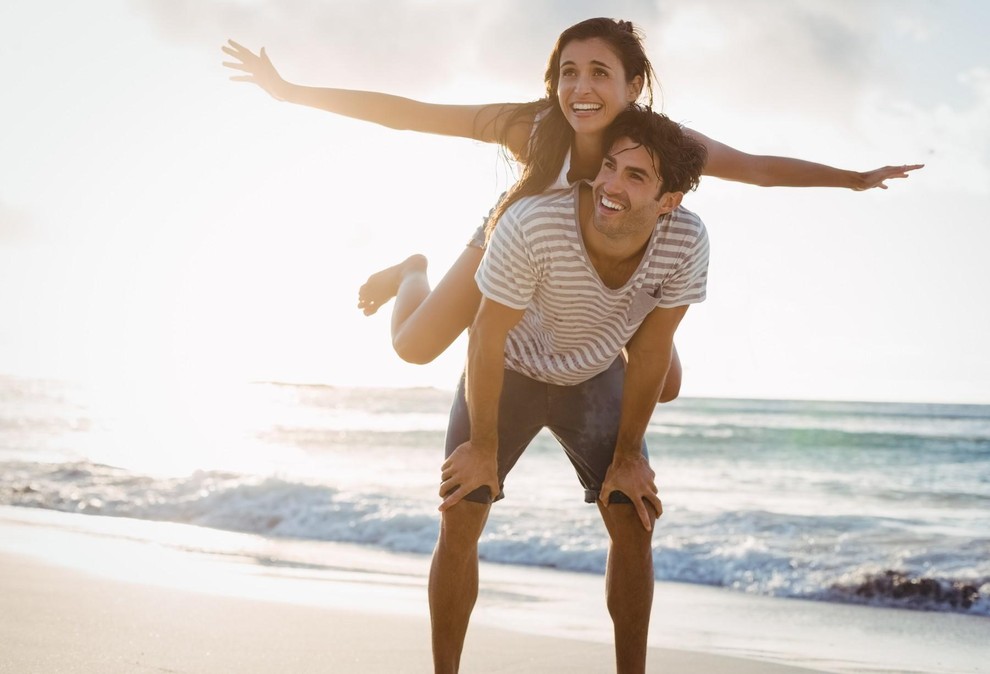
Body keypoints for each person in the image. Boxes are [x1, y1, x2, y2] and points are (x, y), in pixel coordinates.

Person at [221, 18, 922, 403]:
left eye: (599, 74)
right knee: (414, 348)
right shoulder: (528, 128)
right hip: (511, 243)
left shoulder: (661, 147)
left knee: (668, 384)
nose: (581, 88)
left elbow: (761, 170)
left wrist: (856, 179)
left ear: (632, 84)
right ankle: (412, 269)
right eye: (568, 72)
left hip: (605, 268)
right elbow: (409, 114)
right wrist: (291, 92)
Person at [435, 105, 707, 673]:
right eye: (609, 166)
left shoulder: (686, 239)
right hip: (509, 365)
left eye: (636, 177)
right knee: (464, 506)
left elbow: (653, 350)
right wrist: (481, 447)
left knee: (632, 514)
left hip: (594, 370)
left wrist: (630, 455)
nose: (611, 185)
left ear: (669, 200)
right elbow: (485, 334)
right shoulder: (534, 222)